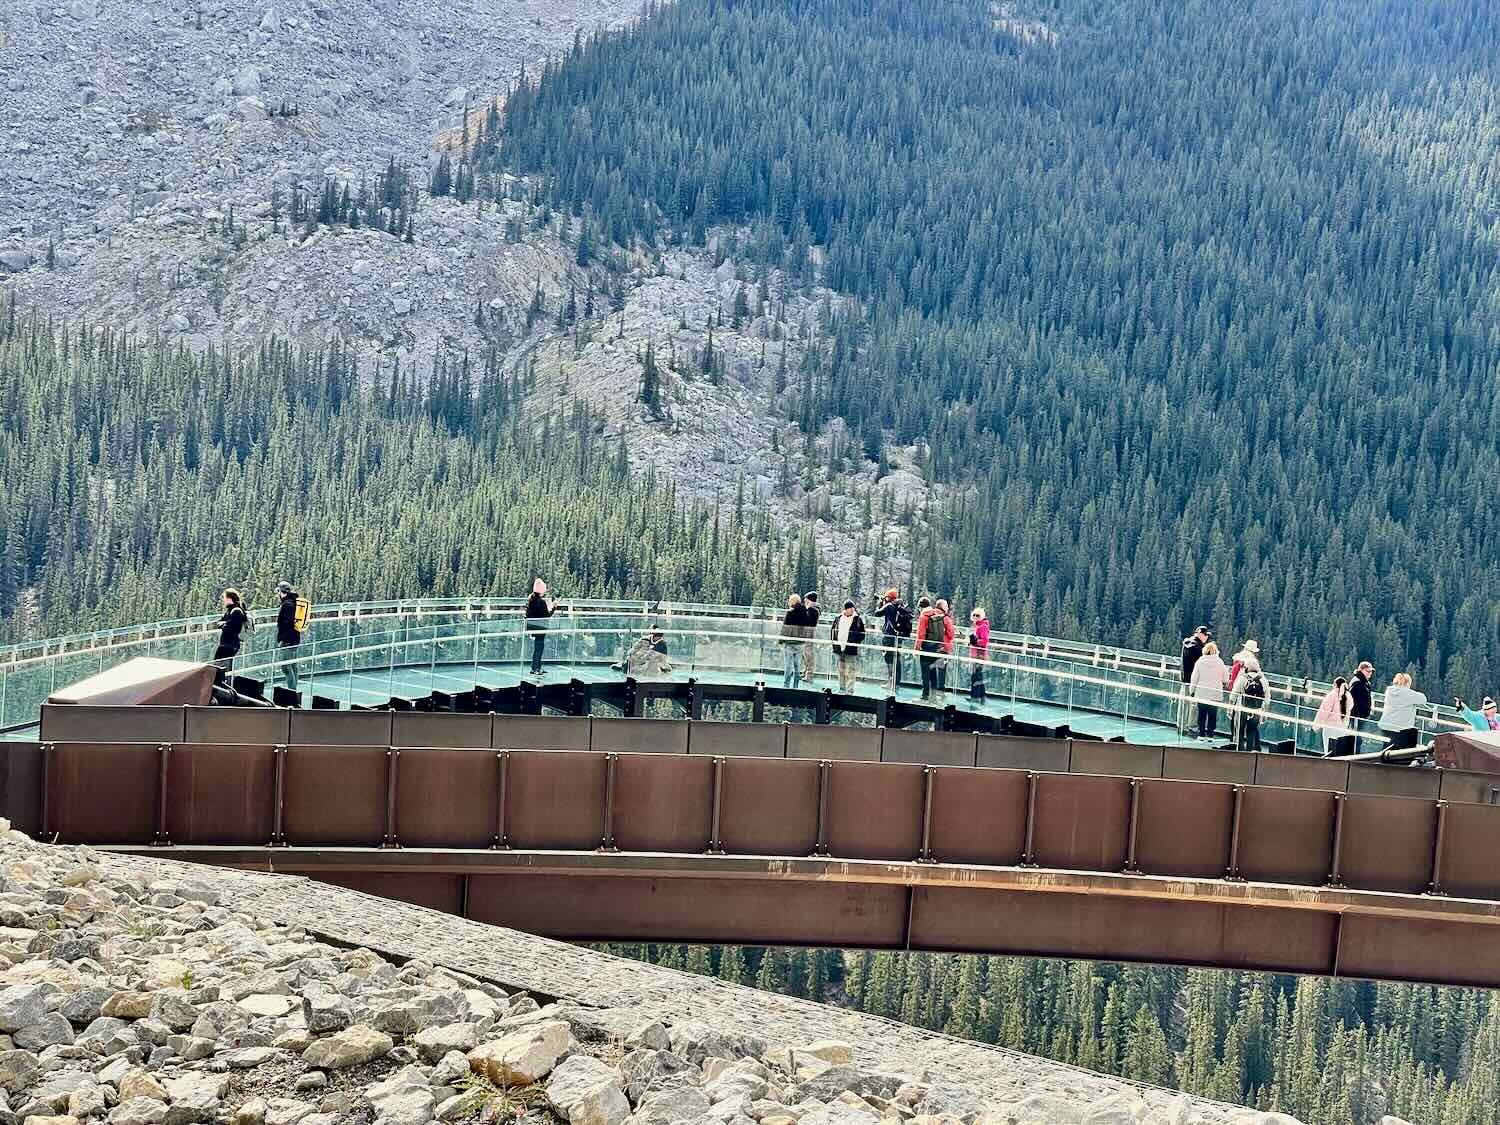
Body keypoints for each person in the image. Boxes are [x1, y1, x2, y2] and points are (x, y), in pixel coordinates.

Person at [1229, 651, 1269, 753]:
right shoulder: (1263, 679)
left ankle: (1240, 750)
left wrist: (1230, 707)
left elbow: (1234, 694)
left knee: (1240, 730)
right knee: (1252, 730)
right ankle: (1249, 750)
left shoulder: (1243, 678)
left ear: (1247, 667)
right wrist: (1265, 712)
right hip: (1256, 709)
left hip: (1243, 708)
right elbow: (1267, 697)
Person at [1378, 672, 1427, 752]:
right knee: (1400, 751)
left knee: (1387, 747)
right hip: (1400, 729)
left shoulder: (1389, 691)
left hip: (1386, 725)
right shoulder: (1407, 693)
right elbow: (1423, 699)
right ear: (1407, 683)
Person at [1189, 640, 1228, 739]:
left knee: (1201, 714)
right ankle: (1210, 734)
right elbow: (1225, 678)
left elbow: (1194, 678)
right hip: (1215, 694)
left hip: (1201, 693)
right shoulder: (1220, 662)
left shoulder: (1200, 661)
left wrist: (1191, 691)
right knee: (1212, 715)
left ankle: (1201, 734)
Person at [875, 589, 911, 694]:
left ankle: (890, 681)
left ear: (889, 598)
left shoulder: (889, 606)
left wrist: (880, 604)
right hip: (898, 637)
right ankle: (896, 682)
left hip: (889, 636)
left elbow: (877, 613)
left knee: (889, 659)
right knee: (897, 659)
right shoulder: (899, 606)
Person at [830, 600, 865, 693]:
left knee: (851, 670)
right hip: (839, 648)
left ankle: (850, 689)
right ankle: (842, 688)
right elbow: (833, 631)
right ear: (846, 609)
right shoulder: (838, 618)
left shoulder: (857, 619)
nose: (852, 610)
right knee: (841, 669)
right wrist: (834, 645)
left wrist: (854, 643)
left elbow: (862, 634)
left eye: (853, 608)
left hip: (851, 649)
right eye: (850, 608)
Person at [1180, 626, 1211, 731]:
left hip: (1185, 679)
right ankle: (1192, 726)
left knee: (1184, 703)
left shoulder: (1186, 644)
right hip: (1195, 681)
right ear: (1201, 634)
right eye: (1206, 635)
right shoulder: (1199, 648)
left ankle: (1181, 724)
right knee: (1193, 705)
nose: (1207, 638)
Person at [274, 580, 302, 694]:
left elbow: (288, 623)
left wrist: (282, 639)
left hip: (288, 640)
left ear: (281, 592)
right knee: (292, 666)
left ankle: (291, 692)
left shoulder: (287, 604)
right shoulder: (294, 602)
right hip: (295, 639)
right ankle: (293, 690)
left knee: (286, 667)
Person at [525, 579, 556, 676]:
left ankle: (535, 667)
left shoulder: (531, 600)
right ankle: (536, 668)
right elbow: (547, 615)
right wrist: (554, 607)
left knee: (537, 648)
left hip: (533, 627)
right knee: (539, 648)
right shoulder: (541, 602)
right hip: (540, 627)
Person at [213, 588, 248, 671]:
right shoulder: (230, 610)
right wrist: (224, 623)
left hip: (230, 644)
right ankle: (225, 682)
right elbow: (220, 622)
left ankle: (224, 682)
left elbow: (231, 628)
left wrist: (224, 624)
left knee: (221, 667)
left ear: (229, 598)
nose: (224, 600)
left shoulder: (236, 611)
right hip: (228, 644)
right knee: (223, 667)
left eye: (225, 598)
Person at [1317, 677, 1354, 755]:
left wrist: (1316, 725)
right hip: (1343, 728)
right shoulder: (1349, 696)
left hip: (1330, 727)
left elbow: (1324, 712)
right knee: (1339, 750)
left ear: (1335, 684)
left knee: (1328, 750)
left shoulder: (1332, 695)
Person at [914, 597, 940, 700]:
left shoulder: (923, 616)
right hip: (935, 647)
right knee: (933, 671)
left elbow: (921, 634)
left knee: (925, 672)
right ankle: (934, 695)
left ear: (920, 607)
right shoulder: (936, 614)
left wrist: (916, 648)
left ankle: (925, 696)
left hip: (926, 648)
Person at [780, 594, 807, 688]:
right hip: (800, 642)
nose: (788, 602)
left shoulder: (790, 612)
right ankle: (796, 685)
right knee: (797, 665)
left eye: (789, 600)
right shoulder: (805, 612)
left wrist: (781, 640)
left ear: (793, 601)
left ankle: (786, 684)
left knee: (788, 665)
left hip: (790, 642)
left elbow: (785, 628)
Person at [1348, 660, 1375, 752]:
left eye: (1371, 671)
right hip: (1356, 717)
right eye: (1368, 671)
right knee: (1356, 739)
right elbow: (1351, 700)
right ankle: (1354, 757)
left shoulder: (1363, 682)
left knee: (1357, 739)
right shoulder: (1357, 682)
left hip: (1361, 717)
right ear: (1361, 670)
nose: (1370, 673)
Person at [967, 607, 990, 702]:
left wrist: (975, 641)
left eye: (978, 615)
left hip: (979, 655)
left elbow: (984, 641)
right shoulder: (978, 625)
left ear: (982, 616)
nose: (975, 617)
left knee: (976, 676)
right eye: (974, 615)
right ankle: (981, 696)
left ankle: (975, 697)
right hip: (976, 654)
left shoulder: (982, 626)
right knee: (978, 676)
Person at [934, 599, 956, 692]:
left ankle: (932, 688)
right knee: (941, 669)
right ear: (942, 607)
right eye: (946, 606)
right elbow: (951, 634)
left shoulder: (932, 616)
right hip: (943, 647)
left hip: (933, 645)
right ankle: (940, 688)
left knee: (933, 667)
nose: (947, 608)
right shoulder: (946, 618)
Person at [801, 591, 820, 681]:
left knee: (808, 654)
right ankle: (805, 672)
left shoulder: (813, 610)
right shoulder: (810, 610)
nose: (804, 601)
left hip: (809, 634)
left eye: (806, 599)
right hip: (806, 634)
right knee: (805, 654)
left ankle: (809, 675)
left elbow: (808, 622)